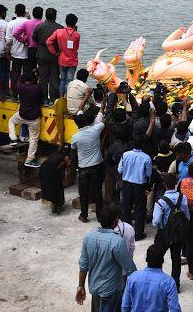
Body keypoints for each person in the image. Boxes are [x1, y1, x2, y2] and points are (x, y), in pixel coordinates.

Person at [76, 205, 137, 312]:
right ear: (114, 222)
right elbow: (130, 269)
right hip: (112, 291)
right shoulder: (117, 241)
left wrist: (81, 286)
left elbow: (83, 266)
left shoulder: (88, 238)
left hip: (95, 289)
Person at [152, 173, 190, 291]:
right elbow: (187, 216)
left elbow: (156, 221)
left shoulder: (160, 201)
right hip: (177, 233)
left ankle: (157, 283)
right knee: (176, 259)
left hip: (163, 233)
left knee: (157, 257)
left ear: (164, 184)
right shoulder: (182, 197)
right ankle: (176, 285)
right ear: (176, 183)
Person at [72, 95, 105, 223]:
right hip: (97, 166)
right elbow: (103, 117)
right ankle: (99, 216)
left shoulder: (75, 137)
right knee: (97, 192)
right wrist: (104, 103)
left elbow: (73, 151)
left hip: (83, 169)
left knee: (83, 193)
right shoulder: (95, 130)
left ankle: (84, 215)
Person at [121, 244, 181, 312]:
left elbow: (125, 305)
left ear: (146, 259)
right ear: (162, 261)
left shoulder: (133, 278)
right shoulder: (168, 281)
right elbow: (175, 309)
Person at [118, 134, 152, 241]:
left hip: (127, 184)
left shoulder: (125, 155)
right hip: (139, 185)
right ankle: (138, 234)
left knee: (126, 208)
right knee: (139, 209)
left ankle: (125, 232)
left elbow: (120, 170)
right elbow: (148, 174)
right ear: (143, 145)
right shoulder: (146, 158)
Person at [8, 72, 43, 168]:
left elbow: (19, 81)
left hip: (22, 115)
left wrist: (23, 75)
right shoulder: (37, 88)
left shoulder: (21, 87)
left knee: (11, 121)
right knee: (34, 139)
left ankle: (13, 139)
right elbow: (41, 100)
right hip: (34, 117)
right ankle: (29, 159)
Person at [46, 13, 80, 97]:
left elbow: (48, 42)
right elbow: (77, 47)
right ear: (75, 23)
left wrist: (54, 52)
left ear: (66, 22)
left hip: (61, 60)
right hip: (72, 61)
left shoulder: (59, 32)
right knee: (69, 81)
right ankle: (68, 97)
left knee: (62, 80)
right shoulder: (77, 34)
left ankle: (61, 97)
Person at [32, 8, 62, 103]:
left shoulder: (40, 26)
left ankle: (43, 98)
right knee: (54, 77)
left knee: (43, 77)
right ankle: (54, 98)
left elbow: (34, 38)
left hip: (41, 53)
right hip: (55, 55)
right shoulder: (60, 28)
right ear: (55, 16)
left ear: (46, 15)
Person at [6, 3, 29, 98]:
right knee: (27, 74)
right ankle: (26, 93)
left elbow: (8, 41)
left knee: (15, 73)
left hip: (15, 53)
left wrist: (7, 52)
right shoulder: (29, 22)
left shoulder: (11, 23)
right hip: (27, 53)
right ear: (24, 12)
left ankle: (15, 94)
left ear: (15, 12)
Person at [39, 147, 71, 214]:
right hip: (51, 171)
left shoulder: (55, 154)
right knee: (57, 188)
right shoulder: (66, 157)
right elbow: (67, 166)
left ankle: (54, 204)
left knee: (50, 187)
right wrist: (66, 178)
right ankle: (57, 206)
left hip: (43, 170)